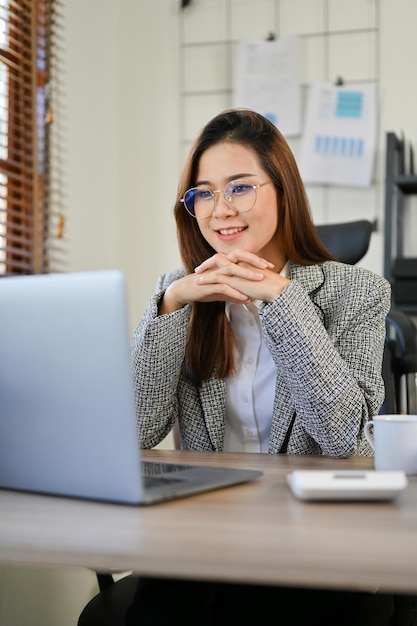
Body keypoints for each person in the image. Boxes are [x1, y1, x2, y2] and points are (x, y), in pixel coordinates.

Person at [127, 109, 393, 625]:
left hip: (312, 542)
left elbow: (345, 439)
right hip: (203, 538)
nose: (219, 209)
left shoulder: (359, 292)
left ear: (284, 190)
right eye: (202, 193)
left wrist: (281, 298)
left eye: (239, 188)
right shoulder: (179, 291)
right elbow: (137, 428)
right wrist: (169, 305)